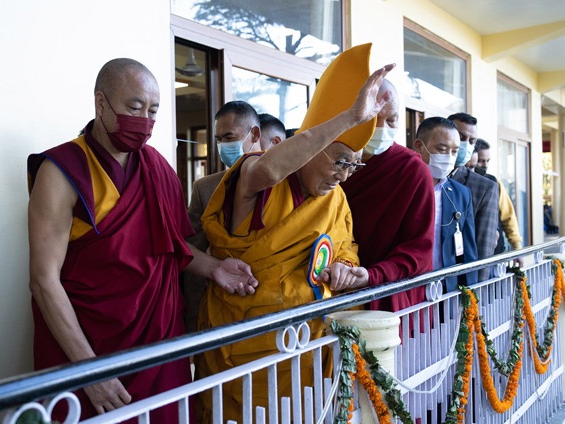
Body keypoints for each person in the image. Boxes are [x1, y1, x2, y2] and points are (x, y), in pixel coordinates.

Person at [27, 58, 258, 422]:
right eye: (134, 107)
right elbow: (43, 280)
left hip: (158, 347)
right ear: (101, 103)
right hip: (89, 348)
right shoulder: (61, 170)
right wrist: (90, 373)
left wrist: (215, 268)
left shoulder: (158, 168)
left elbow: (169, 248)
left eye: (153, 110)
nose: (145, 121)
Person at [196, 44, 394, 420]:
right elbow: (271, 171)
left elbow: (345, 249)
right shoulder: (257, 178)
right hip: (246, 343)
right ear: (308, 149)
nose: (343, 174)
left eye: (353, 166)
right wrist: (349, 117)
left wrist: (343, 270)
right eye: (338, 160)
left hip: (310, 344)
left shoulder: (336, 199)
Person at [341, 79, 434, 311]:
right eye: (373, 120)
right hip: (327, 286)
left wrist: (372, 276)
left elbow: (419, 250)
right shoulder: (328, 164)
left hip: (385, 295)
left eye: (391, 120)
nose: (382, 129)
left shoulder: (412, 170)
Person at [183, 101, 263, 332]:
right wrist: (194, 318)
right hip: (223, 304)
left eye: (229, 138)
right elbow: (191, 252)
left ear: (254, 134)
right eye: (218, 140)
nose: (223, 146)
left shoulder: (282, 183)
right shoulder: (206, 188)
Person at [413, 117, 477, 292]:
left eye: (454, 152)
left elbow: (468, 253)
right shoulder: (403, 188)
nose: (449, 157)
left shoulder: (460, 194)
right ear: (419, 147)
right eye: (442, 149)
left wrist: (469, 296)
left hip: (446, 291)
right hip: (409, 290)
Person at [447, 113, 499, 281]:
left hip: (460, 285)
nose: (465, 145)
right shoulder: (421, 175)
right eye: (461, 137)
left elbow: (484, 247)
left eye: (471, 141)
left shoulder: (484, 187)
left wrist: (477, 293)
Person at [473, 138, 523, 253]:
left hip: (496, 251)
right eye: (481, 161)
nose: (485, 165)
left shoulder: (494, 182)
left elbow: (508, 216)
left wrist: (516, 246)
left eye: (488, 161)